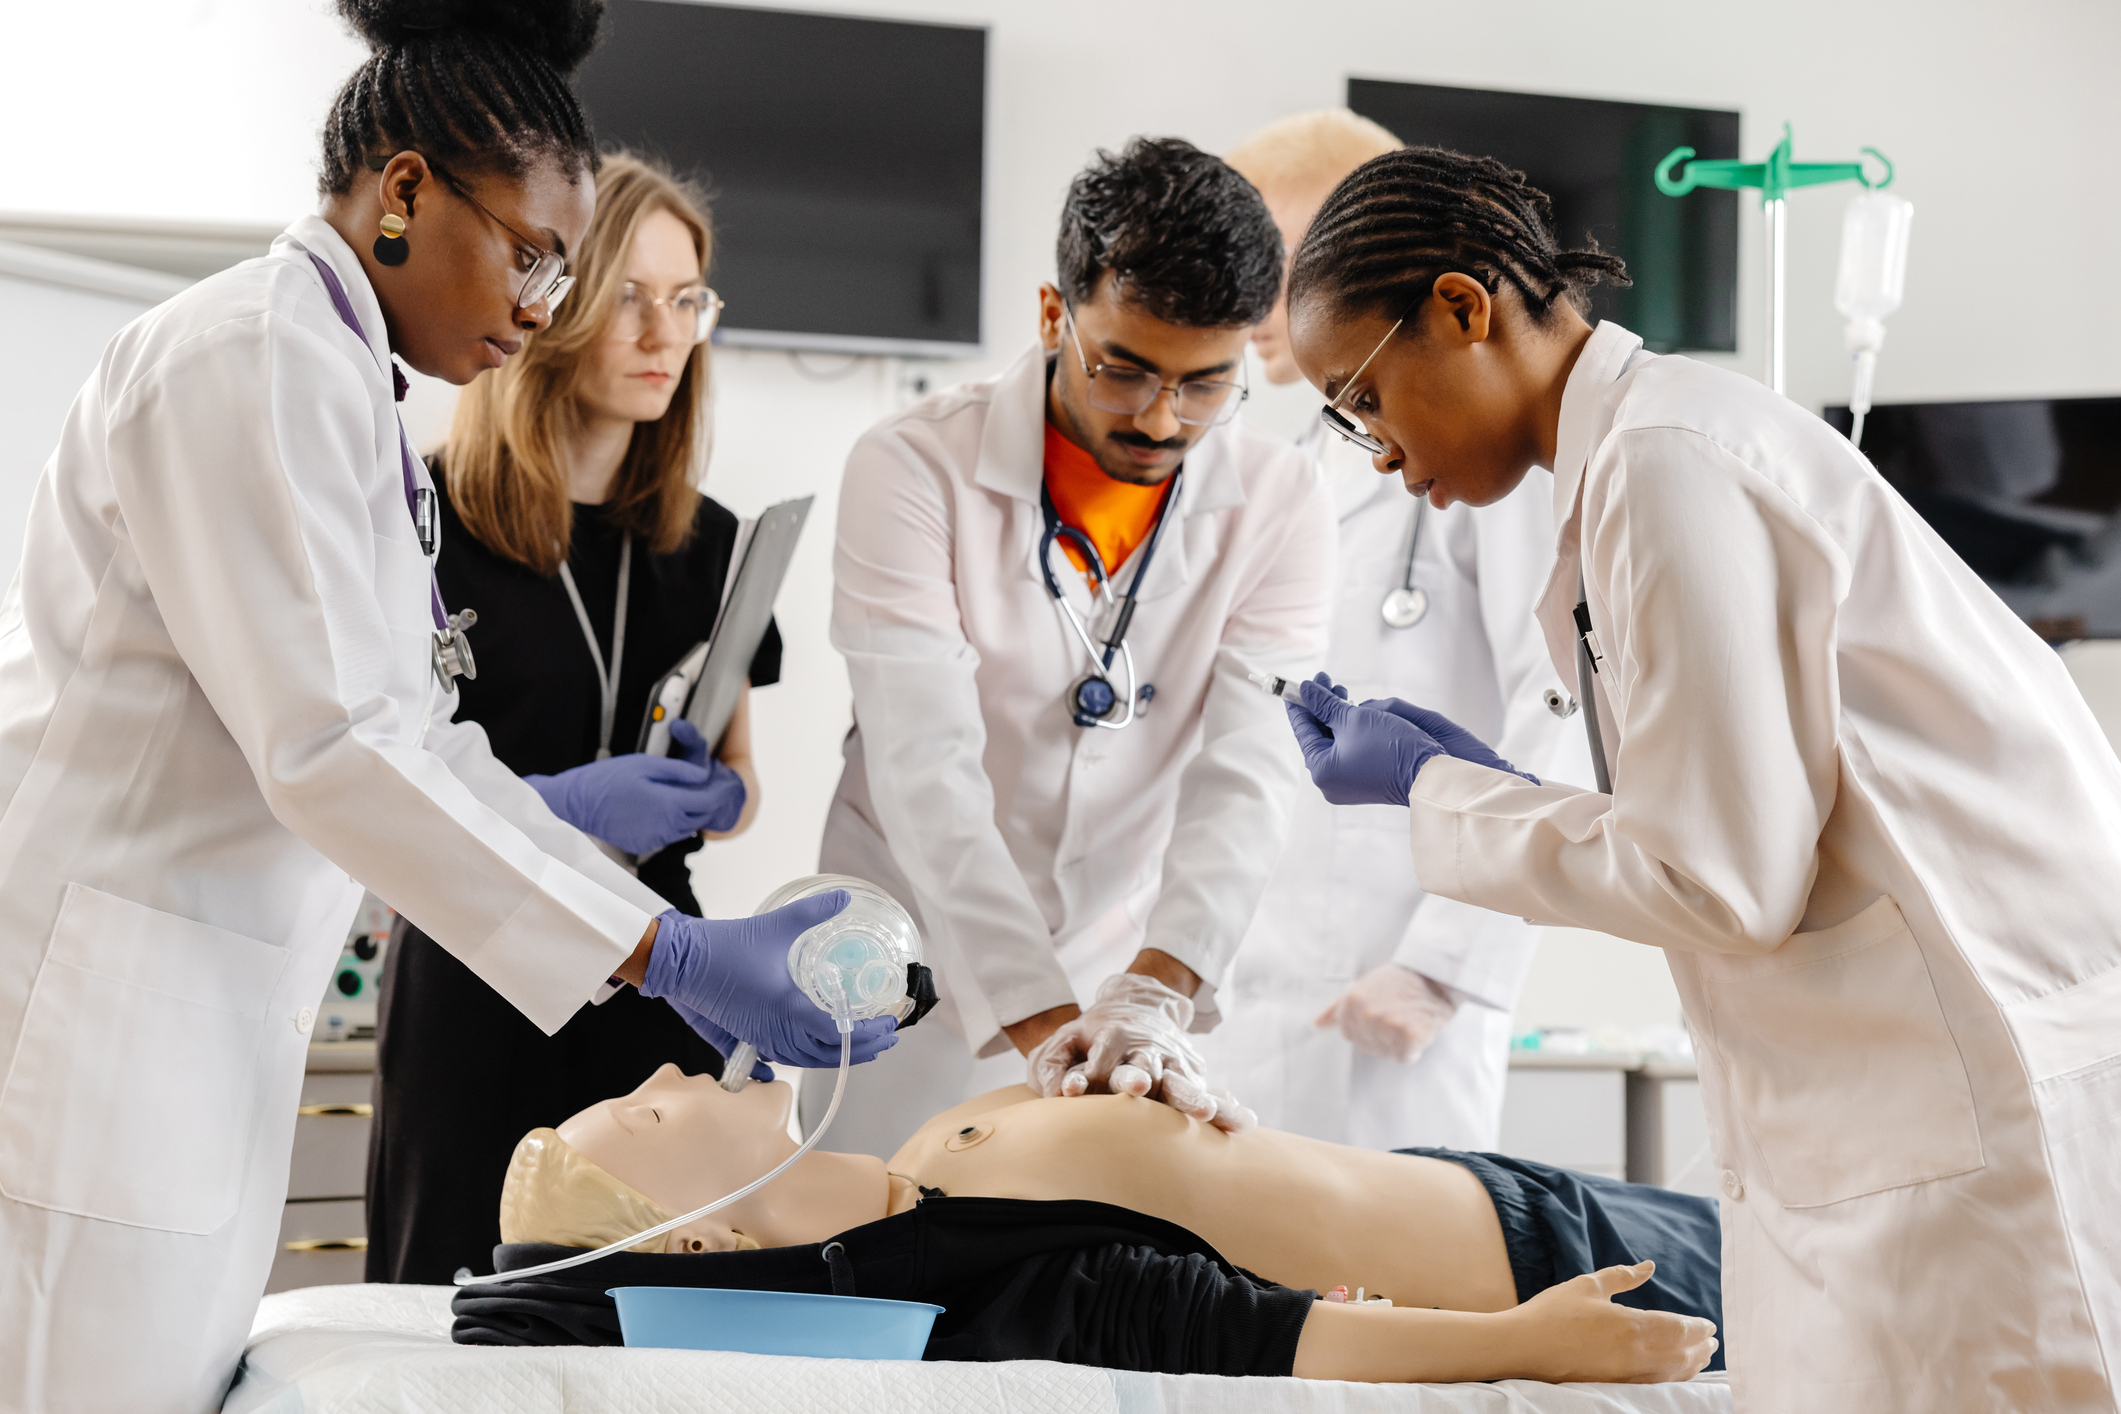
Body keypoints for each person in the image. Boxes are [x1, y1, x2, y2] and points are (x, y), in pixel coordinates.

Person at [0, 4, 893, 1409]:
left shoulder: (342, 382)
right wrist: (662, 947)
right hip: (106, 1013)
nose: (546, 307)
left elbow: (400, 735)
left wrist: (649, 922)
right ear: (405, 188)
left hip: (182, 1012)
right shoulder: (251, 353)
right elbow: (340, 746)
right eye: (538, 256)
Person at [1277, 146, 2121, 1412]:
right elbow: (1725, 828)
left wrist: (1440, 790)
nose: (1377, 451)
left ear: (1462, 308)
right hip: (1901, 1088)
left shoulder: (1668, 461)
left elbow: (1722, 879)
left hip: (1957, 1103)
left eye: (1364, 397)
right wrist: (1471, 781)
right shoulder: (1653, 449)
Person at [813, 138, 1335, 1154]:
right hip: (906, 958)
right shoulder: (915, 468)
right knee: (870, 1243)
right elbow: (926, 770)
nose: (1160, 418)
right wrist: (1051, 1031)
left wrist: (1153, 995)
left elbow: (1250, 773)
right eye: (1125, 370)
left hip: (1113, 970)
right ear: (1055, 314)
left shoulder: (1282, 500)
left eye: (1205, 384)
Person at [367, 152, 784, 1284]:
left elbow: (744, 780)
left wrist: (717, 793)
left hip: (660, 972)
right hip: (474, 968)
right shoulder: (428, 513)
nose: (664, 332)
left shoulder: (712, 544)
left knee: (646, 1308)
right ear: (555, 303)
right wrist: (552, 808)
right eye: (631, 297)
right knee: (454, 1298)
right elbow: (367, 772)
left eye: (687, 299)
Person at [455, 1063, 1722, 1385]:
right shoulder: (962, 1278)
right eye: (649, 1116)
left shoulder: (916, 1165)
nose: (669, 1077)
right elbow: (1263, 1338)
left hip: (1503, 1180)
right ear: (700, 1241)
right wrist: (1531, 1343)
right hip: (1565, 1260)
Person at [1200, 111, 1589, 1151]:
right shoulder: (1310, 452)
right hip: (1260, 980)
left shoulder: (1481, 446)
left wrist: (1448, 961)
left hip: (1399, 986)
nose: (1243, 296)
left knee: (1399, 1289)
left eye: (1266, 254)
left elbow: (1562, 703)